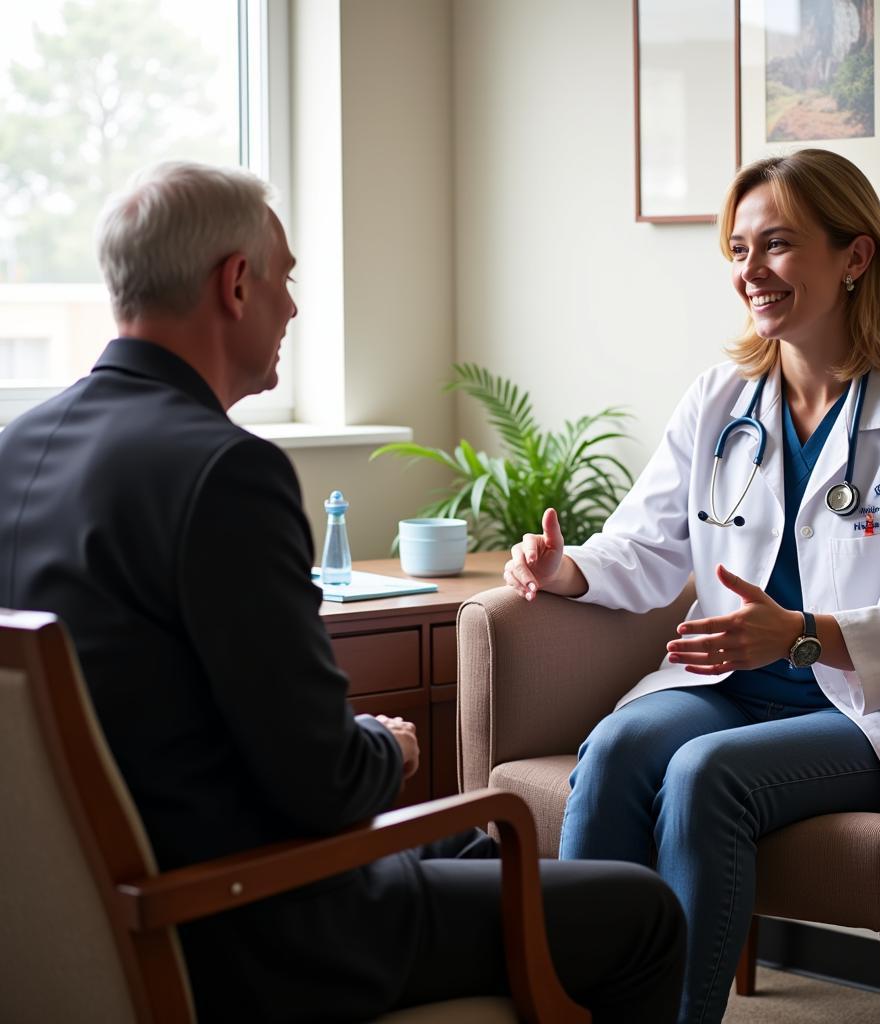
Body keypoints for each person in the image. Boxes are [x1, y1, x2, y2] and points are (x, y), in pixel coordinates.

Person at [0, 161, 685, 1023]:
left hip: (101, 910)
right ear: (236, 283)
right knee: (644, 914)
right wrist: (386, 746)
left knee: (475, 849)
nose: (292, 308)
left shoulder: (14, 449)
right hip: (250, 924)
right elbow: (321, 783)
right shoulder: (225, 473)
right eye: (285, 280)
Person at [504, 149, 880, 1024]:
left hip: (854, 711)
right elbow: (646, 545)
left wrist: (801, 633)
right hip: (723, 687)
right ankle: (572, 1008)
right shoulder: (719, 398)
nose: (750, 273)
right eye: (737, 250)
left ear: (855, 256)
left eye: (776, 245)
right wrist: (563, 568)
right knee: (614, 748)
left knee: (703, 774)